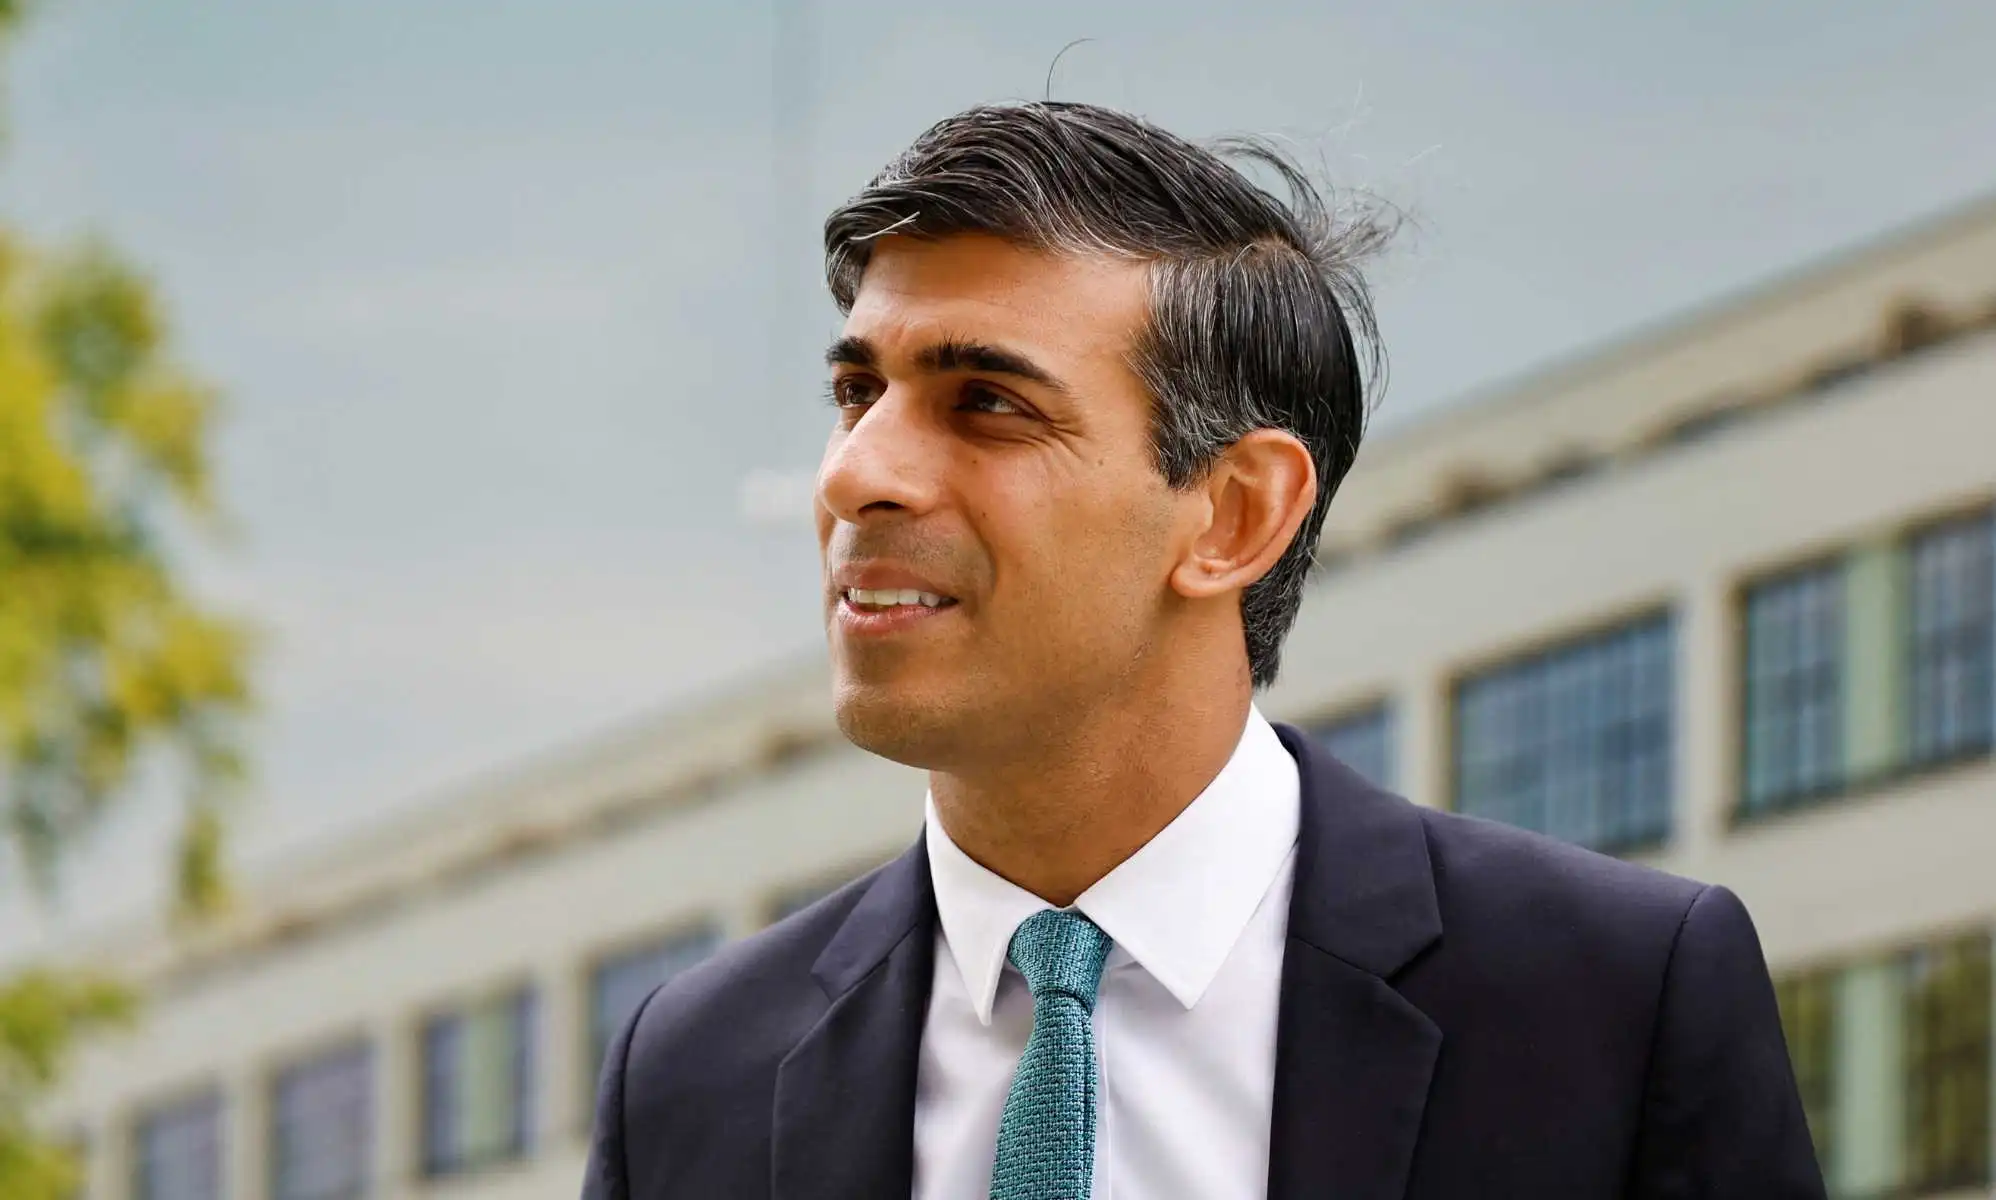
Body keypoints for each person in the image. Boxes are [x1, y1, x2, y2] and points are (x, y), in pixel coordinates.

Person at [582, 101, 1826, 1199]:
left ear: (1234, 515)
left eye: (989, 405)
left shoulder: (1612, 1002)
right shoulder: (689, 1073)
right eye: (860, 394)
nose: (859, 474)